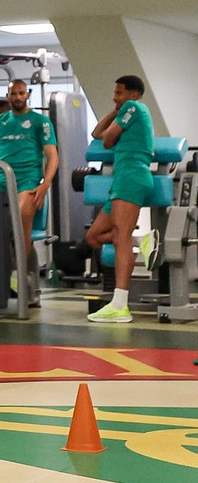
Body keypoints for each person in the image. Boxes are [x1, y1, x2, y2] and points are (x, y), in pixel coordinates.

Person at [84, 75, 156, 324]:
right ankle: (142, 240)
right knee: (94, 237)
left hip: (132, 178)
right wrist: (115, 108)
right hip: (123, 180)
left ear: (134, 94)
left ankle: (120, 305)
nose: (115, 98)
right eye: (114, 93)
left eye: (119, 93)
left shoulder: (134, 107)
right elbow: (96, 132)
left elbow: (107, 138)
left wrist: (121, 109)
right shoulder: (127, 109)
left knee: (120, 237)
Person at [0, 78, 57, 294]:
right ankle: (0, 278)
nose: (17, 97)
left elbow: (53, 157)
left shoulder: (40, 122)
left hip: (28, 181)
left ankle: (19, 275)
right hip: (1, 180)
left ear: (27, 95)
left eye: (21, 93)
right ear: (7, 96)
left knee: (20, 223)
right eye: (13, 94)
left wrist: (45, 185)